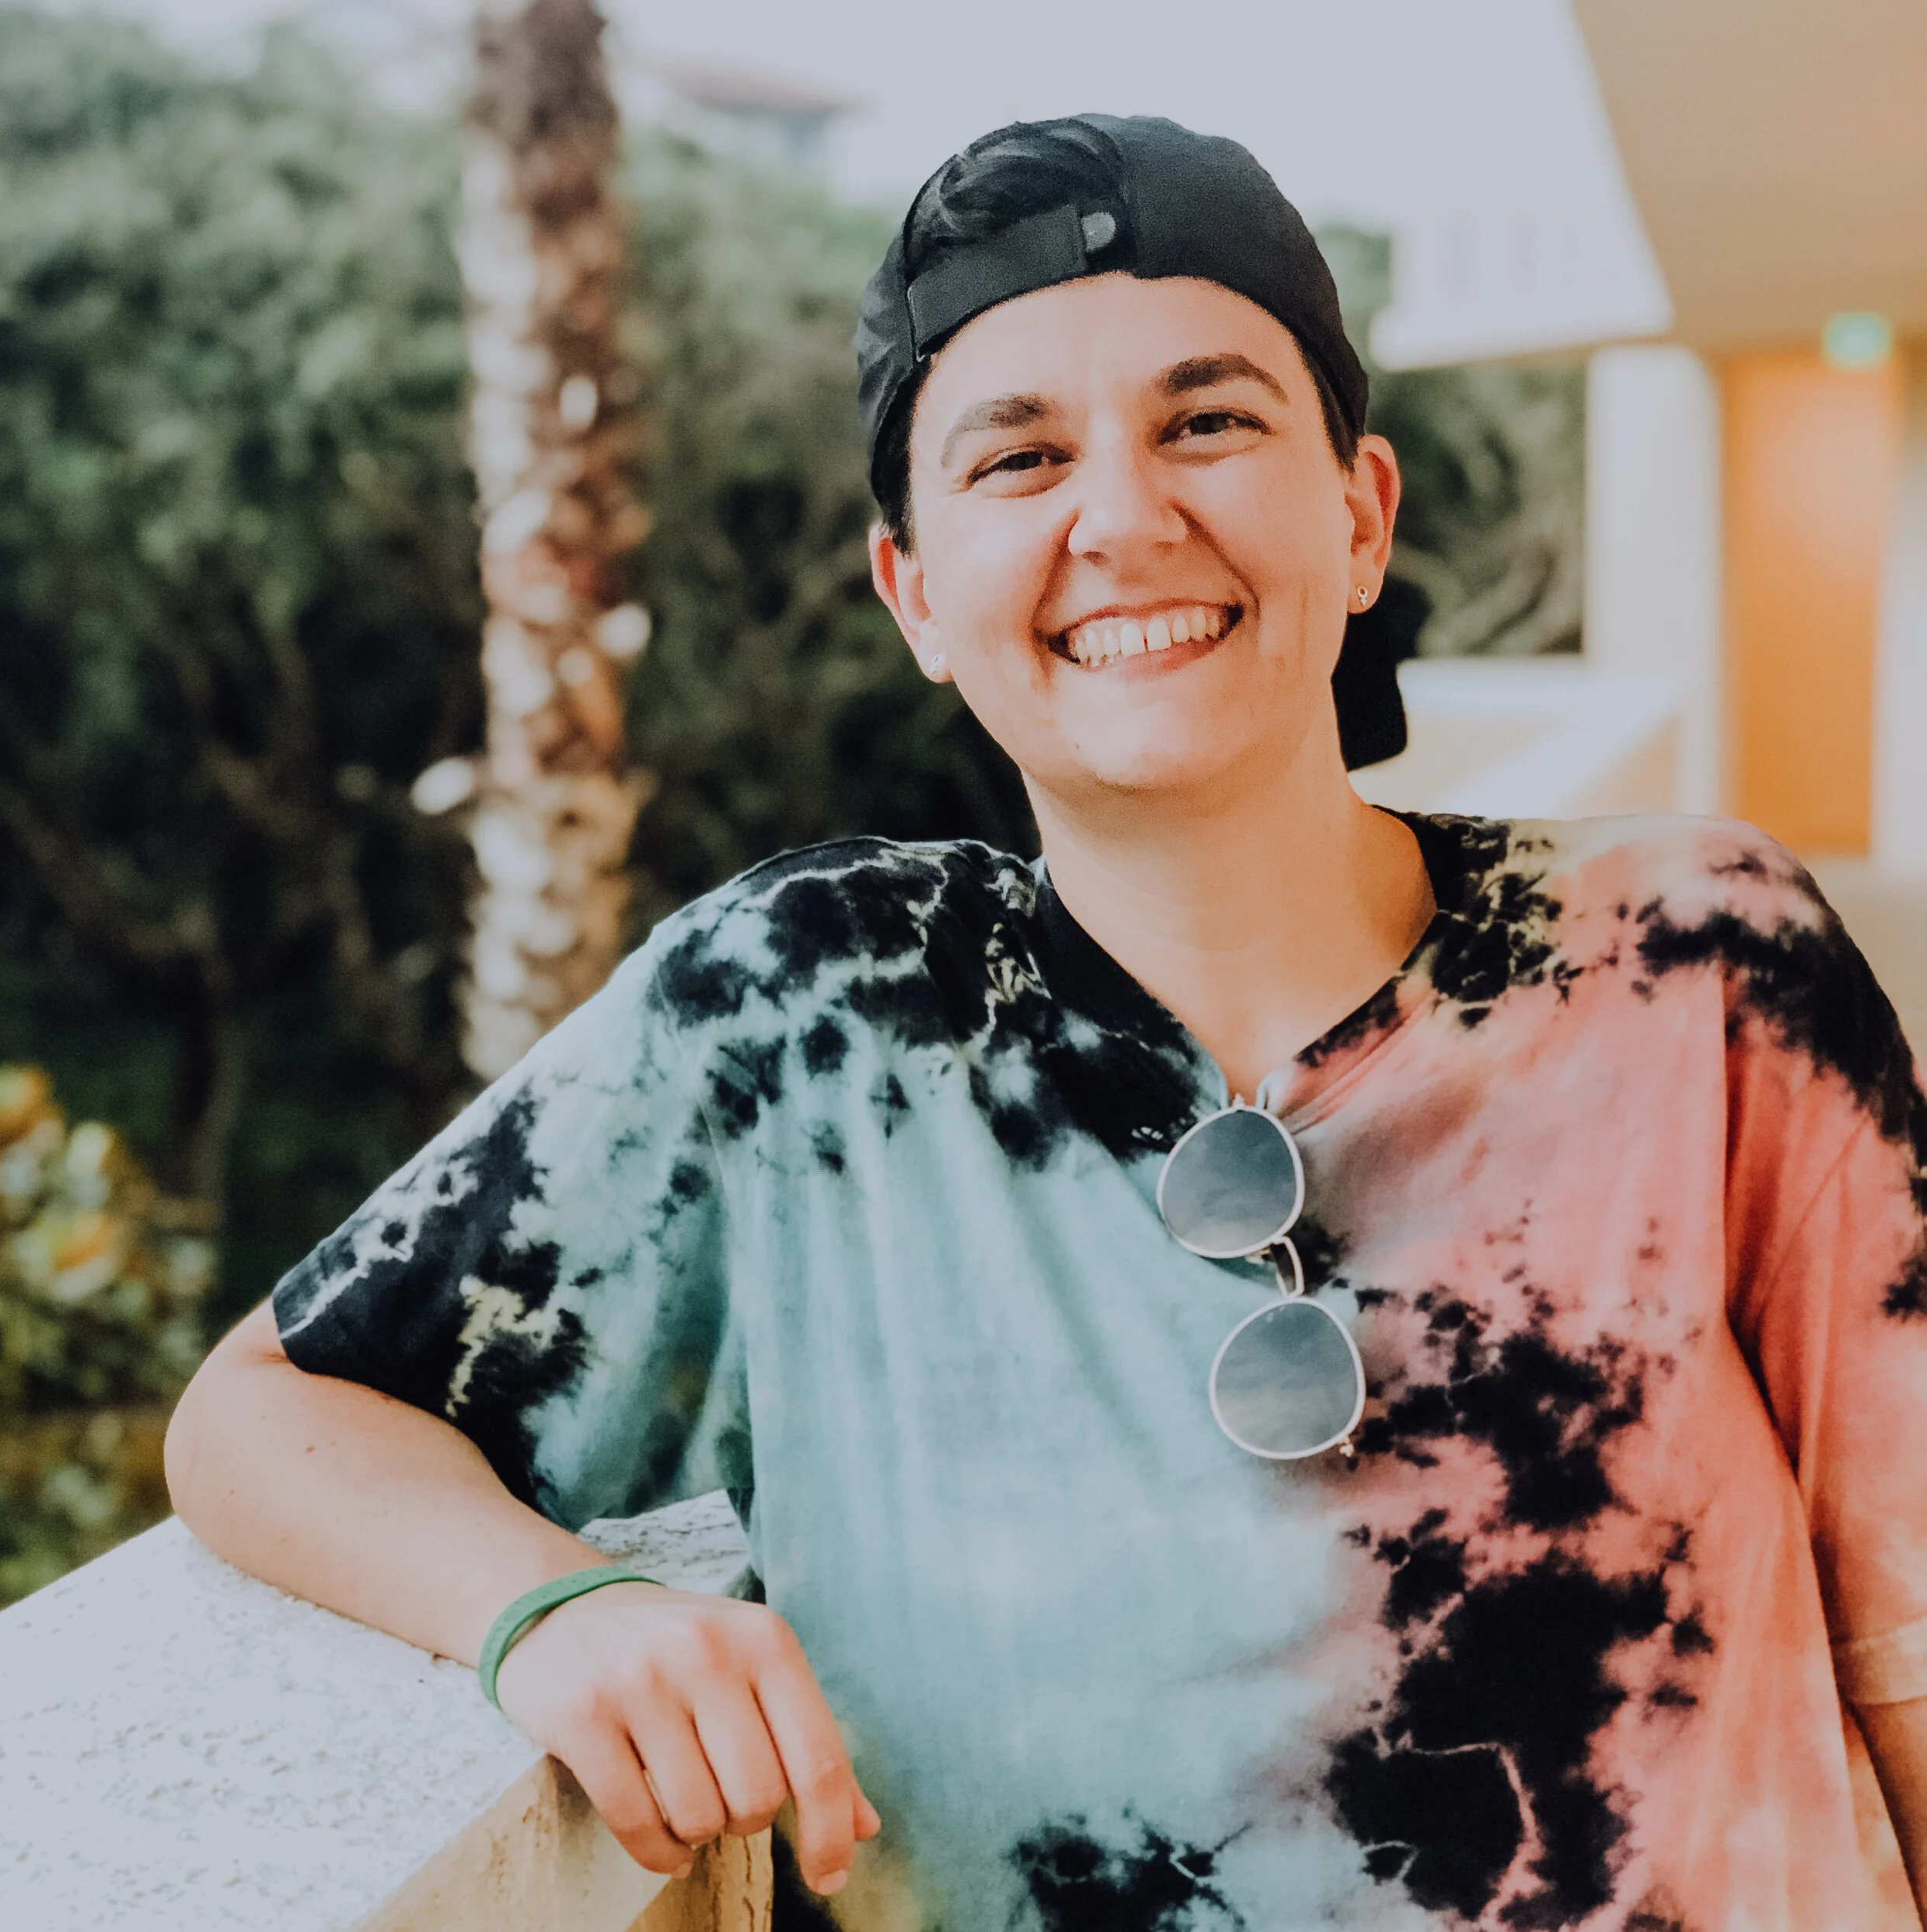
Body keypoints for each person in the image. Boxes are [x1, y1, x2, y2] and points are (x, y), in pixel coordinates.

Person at [167, 115, 1927, 1930]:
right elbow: (266, 1411)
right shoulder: (805, 1017)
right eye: (1017, 457)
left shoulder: (1688, 958)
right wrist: (554, 1608)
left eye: (1207, 420)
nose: (1123, 518)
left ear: (1357, 511)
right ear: (915, 592)